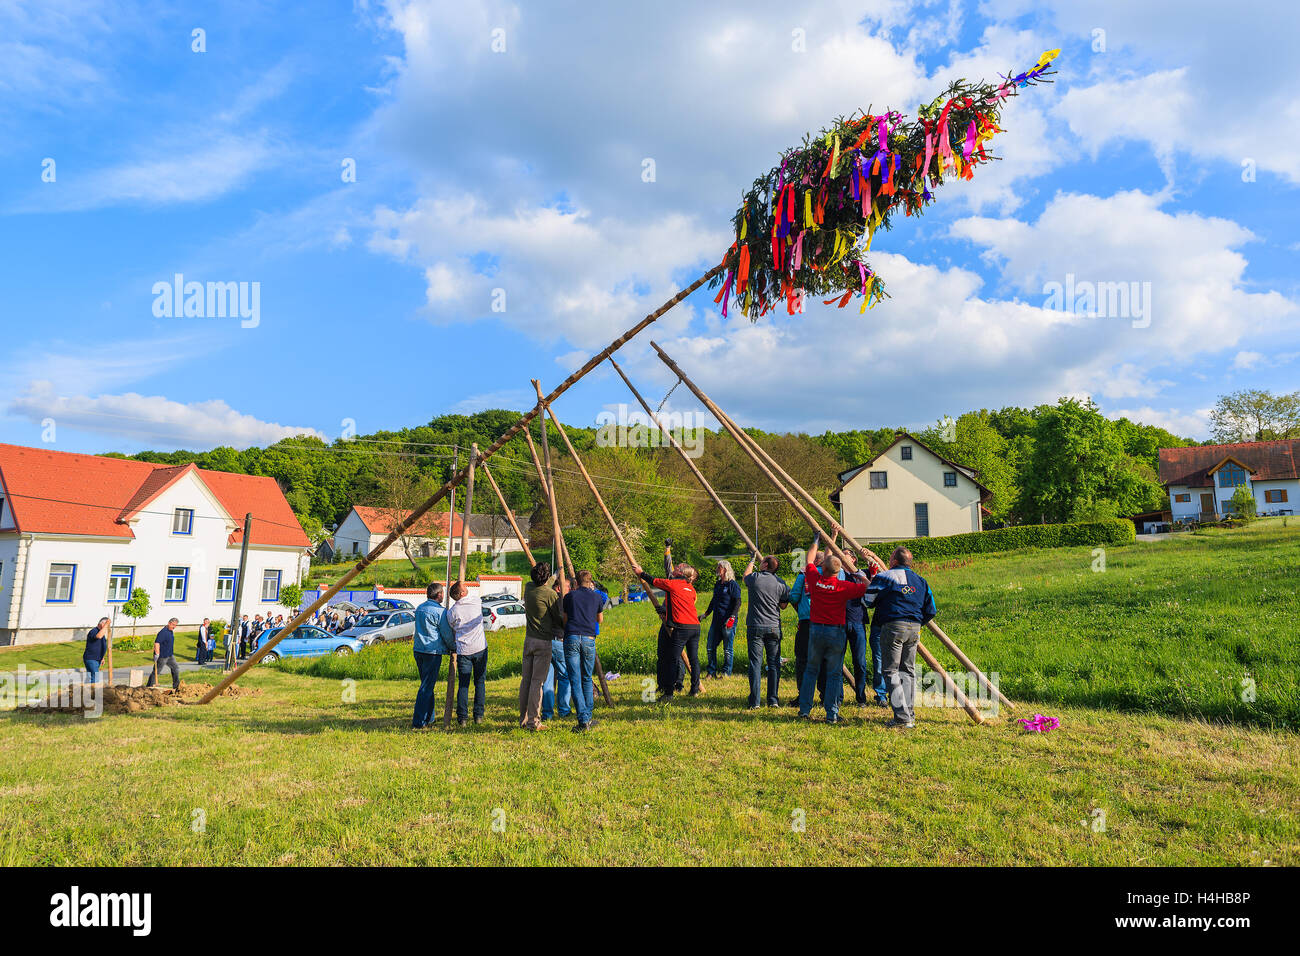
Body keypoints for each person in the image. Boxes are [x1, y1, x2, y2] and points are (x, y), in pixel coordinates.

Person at [797, 535, 870, 725]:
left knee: (811, 670)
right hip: (836, 632)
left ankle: (804, 710)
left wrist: (816, 539)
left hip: (816, 631)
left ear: (824, 568)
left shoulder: (814, 579)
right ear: (838, 572)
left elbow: (809, 559)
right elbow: (868, 588)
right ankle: (832, 713)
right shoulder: (843, 586)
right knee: (834, 673)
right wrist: (860, 575)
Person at [865, 547, 937, 729]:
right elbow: (931, 610)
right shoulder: (921, 581)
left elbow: (867, 601)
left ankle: (901, 717)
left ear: (895, 561)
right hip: (914, 628)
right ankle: (909, 713)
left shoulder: (885, 577)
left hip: (892, 626)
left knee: (890, 671)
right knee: (908, 671)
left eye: (890, 558)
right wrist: (917, 622)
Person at [635, 540, 701, 700]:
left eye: (678, 568)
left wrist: (641, 573)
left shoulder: (673, 584)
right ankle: (694, 689)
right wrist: (665, 611)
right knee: (693, 659)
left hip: (681, 627)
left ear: (682, 574)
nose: (675, 568)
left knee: (672, 659)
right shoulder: (690, 589)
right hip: (695, 627)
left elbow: (655, 581)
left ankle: (670, 692)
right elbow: (681, 605)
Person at [741, 554, 790, 708]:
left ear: (765, 566)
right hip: (774, 626)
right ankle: (773, 700)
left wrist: (751, 560)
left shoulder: (755, 578)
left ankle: (755, 702)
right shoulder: (781, 583)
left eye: (762, 562)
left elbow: (745, 576)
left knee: (755, 663)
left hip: (755, 625)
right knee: (774, 664)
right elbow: (783, 606)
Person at [522, 562, 564, 731]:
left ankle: (523, 719)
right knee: (537, 683)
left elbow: (542, 580)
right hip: (543, 641)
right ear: (546, 579)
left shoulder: (528, 588)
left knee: (526, 681)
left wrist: (555, 574)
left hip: (529, 640)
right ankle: (534, 722)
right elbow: (557, 618)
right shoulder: (550, 594)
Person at [562, 569, 605, 732]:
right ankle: (588, 716)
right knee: (587, 677)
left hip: (572, 636)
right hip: (589, 638)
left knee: (574, 679)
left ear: (577, 582)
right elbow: (599, 619)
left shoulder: (570, 596)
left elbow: (565, 619)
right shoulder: (597, 597)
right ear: (590, 581)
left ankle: (583, 720)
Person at [412, 583, 454, 729]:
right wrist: (454, 648)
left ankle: (429, 717)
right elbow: (446, 634)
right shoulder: (440, 612)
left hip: (418, 650)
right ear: (439, 595)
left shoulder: (420, 608)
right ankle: (418, 721)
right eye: (443, 593)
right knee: (426, 687)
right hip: (432, 652)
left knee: (426, 684)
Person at [447, 582, 488, 726]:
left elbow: (452, 626)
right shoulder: (476, 601)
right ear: (462, 593)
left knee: (463, 684)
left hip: (463, 650)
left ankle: (462, 718)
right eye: (464, 587)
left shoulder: (452, 612)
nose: (467, 588)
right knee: (480, 682)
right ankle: (478, 715)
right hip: (480, 648)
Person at [700, 559, 742, 678]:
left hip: (728, 621)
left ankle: (726, 673)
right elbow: (714, 601)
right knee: (710, 646)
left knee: (727, 649)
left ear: (725, 569)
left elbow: (737, 602)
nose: (717, 569)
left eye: (719, 567)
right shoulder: (718, 584)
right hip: (716, 621)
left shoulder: (732, 584)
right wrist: (706, 614)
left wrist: (732, 617)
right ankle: (711, 671)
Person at [148, 617, 182, 690]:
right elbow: (157, 643)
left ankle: (176, 686)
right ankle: (149, 687)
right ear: (169, 623)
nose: (174, 627)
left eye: (176, 625)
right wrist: (157, 654)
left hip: (170, 655)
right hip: (162, 656)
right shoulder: (163, 632)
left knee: (175, 669)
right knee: (156, 672)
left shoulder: (170, 631)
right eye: (173, 625)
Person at [83, 617, 110, 684]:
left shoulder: (101, 632)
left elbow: (99, 645)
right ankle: (93, 693)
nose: (107, 627)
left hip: (96, 659)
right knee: (95, 678)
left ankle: (86, 692)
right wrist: (106, 625)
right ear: (101, 623)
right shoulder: (94, 631)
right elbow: (99, 636)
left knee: (91, 678)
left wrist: (102, 657)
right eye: (106, 624)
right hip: (91, 658)